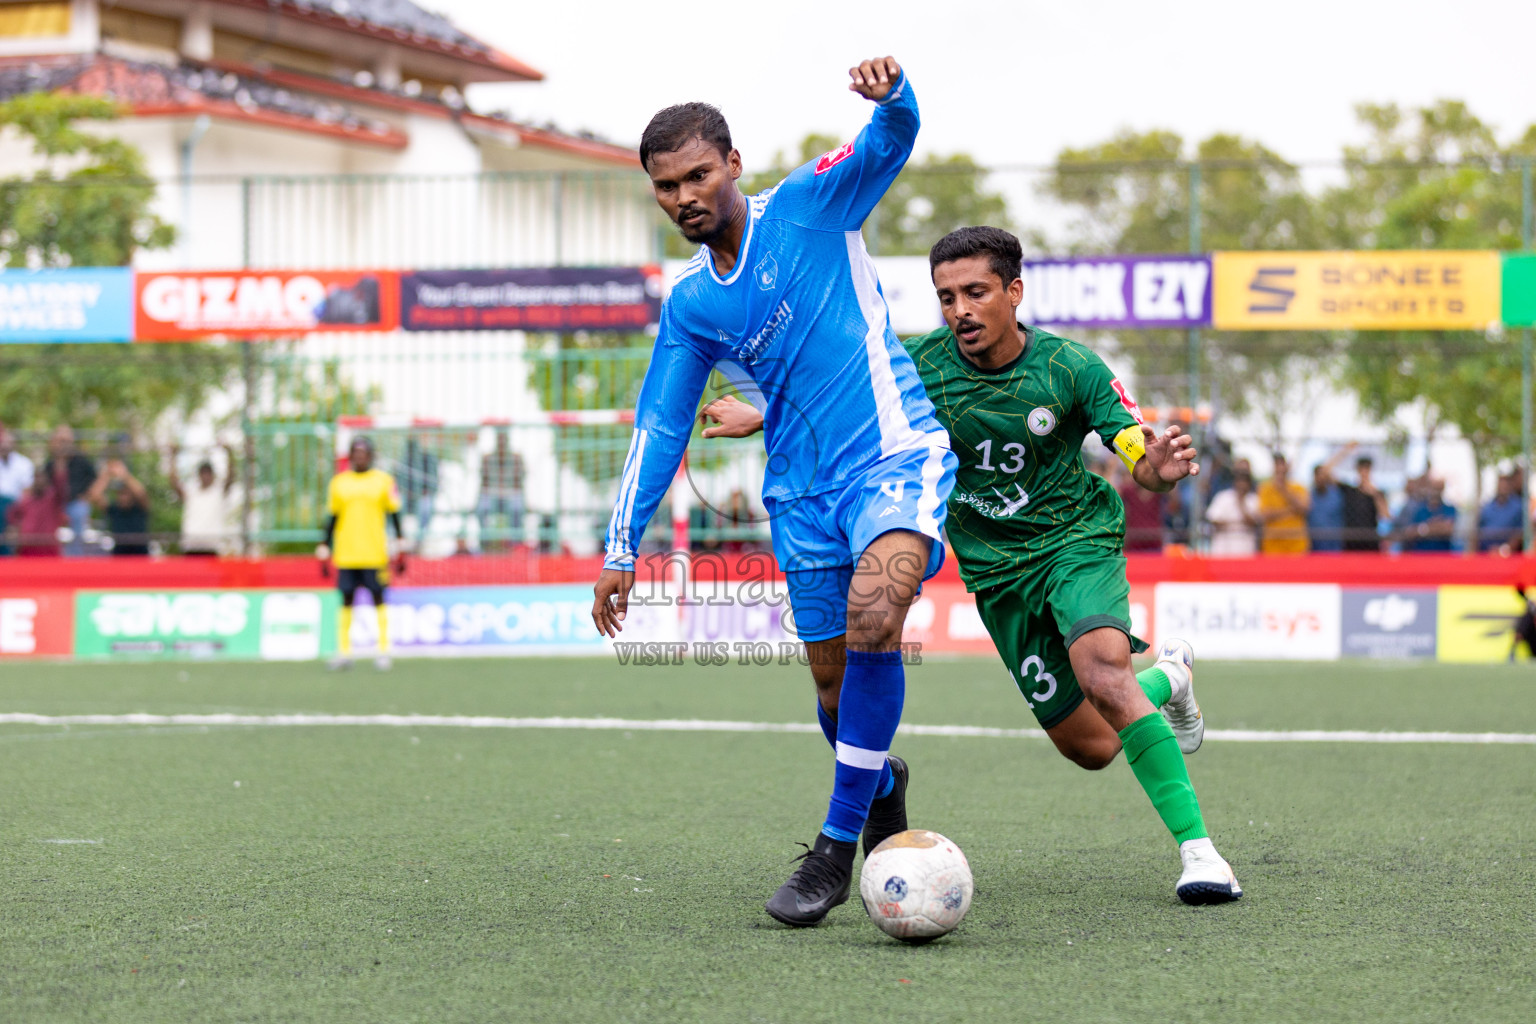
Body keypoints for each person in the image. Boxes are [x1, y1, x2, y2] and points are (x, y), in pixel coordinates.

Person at [702, 225, 1243, 905]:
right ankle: (1170, 678)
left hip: (1074, 543)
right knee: (1093, 746)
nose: (960, 308)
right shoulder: (921, 362)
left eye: (976, 292)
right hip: (996, 575)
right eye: (947, 295)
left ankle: (1202, 856)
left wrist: (1154, 468)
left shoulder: (1069, 367)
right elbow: (838, 396)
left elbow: (1131, 438)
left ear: (1013, 292)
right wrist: (763, 416)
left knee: (1102, 668)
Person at [591, 57, 960, 927]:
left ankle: (834, 848)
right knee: (834, 696)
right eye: (665, 186)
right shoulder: (690, 308)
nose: (684, 196)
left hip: (894, 454)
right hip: (799, 496)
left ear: (734, 164)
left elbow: (892, 141)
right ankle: (879, 785)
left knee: (879, 614)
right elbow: (658, 426)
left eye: (698, 174)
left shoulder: (808, 204)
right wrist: (620, 548)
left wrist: (894, 97)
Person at [318, 437, 407, 670]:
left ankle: (384, 650)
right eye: (355, 452)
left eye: (363, 452)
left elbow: (395, 515)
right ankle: (345, 652)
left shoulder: (383, 481)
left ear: (371, 455)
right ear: (350, 456)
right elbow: (332, 517)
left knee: (378, 598)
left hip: (374, 553)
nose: (359, 456)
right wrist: (324, 546)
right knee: (346, 600)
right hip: (346, 553)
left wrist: (400, 548)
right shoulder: (339, 483)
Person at [171, 443, 237, 556]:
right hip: (191, 545)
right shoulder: (191, 492)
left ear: (213, 475)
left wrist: (229, 454)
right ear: (199, 475)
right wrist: (173, 457)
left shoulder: (218, 492)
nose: (205, 476)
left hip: (211, 546)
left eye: (208, 473)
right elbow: (174, 482)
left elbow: (231, 477)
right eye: (203, 473)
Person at [43, 425, 96, 555]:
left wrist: (87, 498)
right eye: (60, 441)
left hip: (76, 503)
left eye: (66, 441)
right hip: (53, 506)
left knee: (79, 512)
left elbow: (95, 481)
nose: (63, 445)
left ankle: (75, 559)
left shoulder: (82, 461)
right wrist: (59, 461)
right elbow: (45, 488)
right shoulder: (50, 464)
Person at [86, 456, 150, 555]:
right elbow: (95, 495)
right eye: (120, 494)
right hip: (119, 553)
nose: (123, 497)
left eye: (126, 494)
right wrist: (106, 475)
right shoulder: (114, 510)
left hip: (140, 553)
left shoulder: (140, 508)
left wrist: (124, 475)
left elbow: (141, 493)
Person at [477, 431, 525, 550]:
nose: (502, 444)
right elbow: (483, 481)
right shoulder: (487, 459)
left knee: (517, 508)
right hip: (491, 493)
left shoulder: (516, 458)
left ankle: (516, 543)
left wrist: (505, 488)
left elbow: (520, 480)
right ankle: (485, 540)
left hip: (511, 493)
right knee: (482, 508)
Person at [1205, 461, 1260, 556]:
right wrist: (1235, 524)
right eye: (1240, 480)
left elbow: (1254, 523)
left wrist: (1241, 503)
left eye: (1245, 481)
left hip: (1246, 552)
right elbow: (1213, 519)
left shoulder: (1254, 500)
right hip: (1222, 552)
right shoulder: (1223, 497)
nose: (1242, 484)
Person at [1258, 453, 1310, 554]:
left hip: (1296, 546)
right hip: (1273, 546)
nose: (1280, 468)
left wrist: (1283, 490)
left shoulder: (1299, 487)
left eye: (1282, 464)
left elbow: (1304, 509)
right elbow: (1265, 514)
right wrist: (1290, 510)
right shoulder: (1265, 489)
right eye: (1277, 465)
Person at [1395, 475, 1456, 552]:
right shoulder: (1418, 509)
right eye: (1434, 488)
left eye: (1438, 489)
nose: (1435, 492)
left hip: (1443, 554)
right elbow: (1410, 532)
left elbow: (1448, 529)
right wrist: (1431, 527)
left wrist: (1424, 528)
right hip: (1422, 555)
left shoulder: (1450, 509)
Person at [6, 475, 64, 555]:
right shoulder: (25, 501)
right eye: (37, 480)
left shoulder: (53, 501)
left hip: (48, 546)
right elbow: (12, 514)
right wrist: (15, 528)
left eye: (41, 480)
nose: (39, 483)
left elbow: (60, 489)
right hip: (28, 546)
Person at [0, 424, 35, 555]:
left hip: (15, 506)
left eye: (7, 443)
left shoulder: (24, 463)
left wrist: (18, 512)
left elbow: (27, 492)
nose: (4, 446)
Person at [1477, 472, 1524, 553]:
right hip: (1486, 554)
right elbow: (1478, 532)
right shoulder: (1487, 507)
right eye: (1500, 485)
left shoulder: (1518, 507)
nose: (1503, 488)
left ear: (1509, 487)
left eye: (1505, 485)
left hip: (1510, 555)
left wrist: (1503, 549)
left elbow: (1520, 532)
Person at [1308, 463, 1346, 553]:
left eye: (1323, 475)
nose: (1320, 478)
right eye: (1318, 475)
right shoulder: (1309, 496)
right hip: (1314, 544)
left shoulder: (1337, 495)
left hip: (1333, 544)